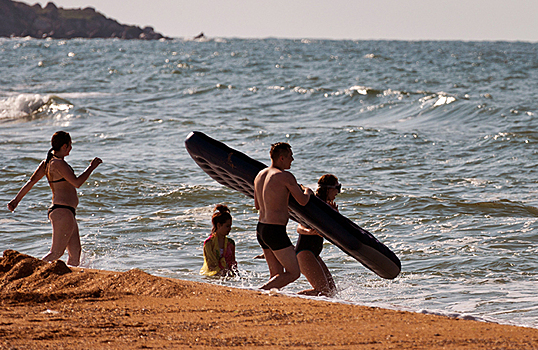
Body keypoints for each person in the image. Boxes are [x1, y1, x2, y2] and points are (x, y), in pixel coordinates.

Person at [7, 131, 102, 266]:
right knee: (56, 252)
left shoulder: (48, 163)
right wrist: (91, 167)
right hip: (62, 211)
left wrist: (16, 201)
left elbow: (31, 182)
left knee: (75, 253)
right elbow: (77, 183)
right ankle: (32, 270)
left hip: (65, 211)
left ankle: (68, 280)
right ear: (64, 146)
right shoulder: (58, 163)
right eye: (70, 145)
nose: (71, 148)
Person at [254, 142, 313, 290]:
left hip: (261, 229)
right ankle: (259, 292)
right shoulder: (285, 176)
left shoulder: (260, 175)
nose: (292, 160)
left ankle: (268, 300)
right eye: (290, 157)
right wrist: (308, 191)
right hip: (275, 231)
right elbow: (302, 201)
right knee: (294, 273)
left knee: (276, 275)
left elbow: (257, 205)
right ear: (281, 158)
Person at [296, 174, 340, 297]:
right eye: (337, 188)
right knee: (322, 291)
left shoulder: (326, 207)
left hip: (314, 253)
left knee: (331, 291)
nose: (338, 192)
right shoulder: (314, 205)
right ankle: (291, 298)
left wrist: (335, 215)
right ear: (329, 189)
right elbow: (299, 228)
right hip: (304, 253)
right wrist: (310, 232)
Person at [200, 204, 238, 277]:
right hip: (212, 277)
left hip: (228, 276)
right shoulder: (209, 243)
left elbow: (233, 263)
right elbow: (210, 264)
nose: (230, 229)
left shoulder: (231, 243)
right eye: (227, 226)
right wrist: (221, 272)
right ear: (219, 225)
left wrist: (237, 276)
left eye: (230, 226)